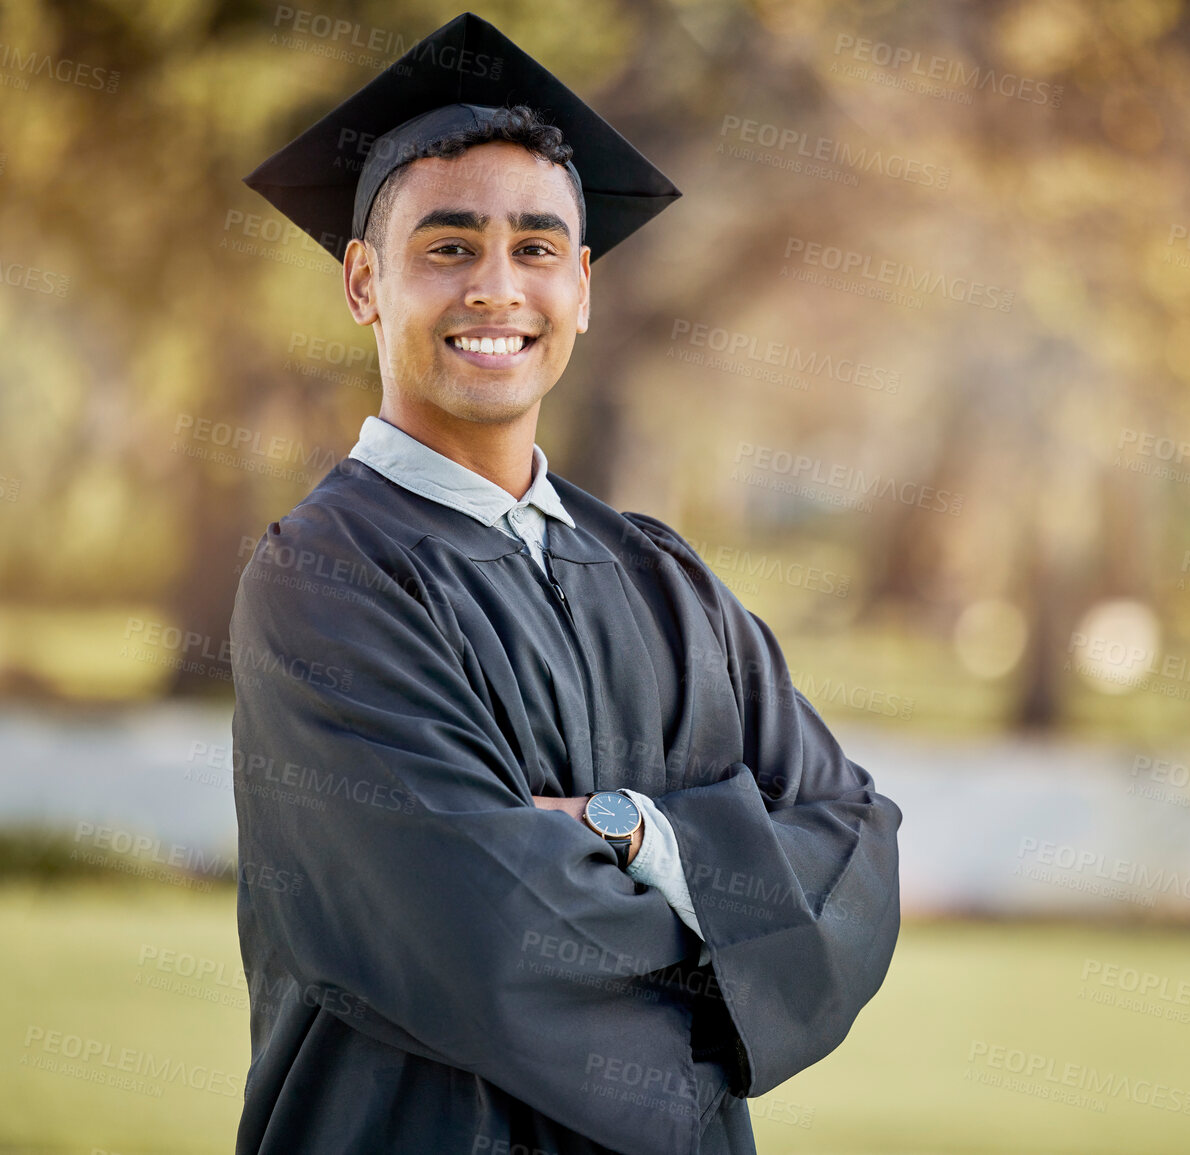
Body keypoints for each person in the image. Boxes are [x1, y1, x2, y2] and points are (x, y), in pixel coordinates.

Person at [230, 13, 902, 1154]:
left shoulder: (662, 580)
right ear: (362, 281)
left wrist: (629, 834)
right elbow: (475, 929)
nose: (498, 289)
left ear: (582, 286)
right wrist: (737, 927)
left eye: (536, 248)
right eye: (448, 247)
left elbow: (855, 846)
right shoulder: (326, 578)